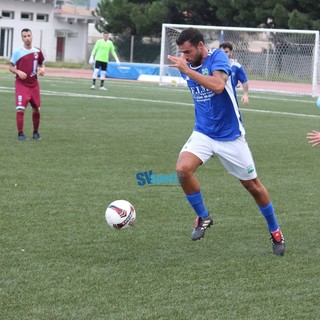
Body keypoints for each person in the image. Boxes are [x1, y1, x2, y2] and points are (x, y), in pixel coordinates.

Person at [167, 28, 285, 256]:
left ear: (201, 45)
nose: (185, 57)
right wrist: (186, 67)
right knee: (182, 170)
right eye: (182, 52)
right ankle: (203, 216)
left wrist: (188, 71)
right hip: (203, 133)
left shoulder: (219, 58)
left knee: (253, 186)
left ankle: (275, 230)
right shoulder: (186, 63)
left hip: (230, 137)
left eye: (188, 51)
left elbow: (218, 86)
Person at [9, 28, 45, 141]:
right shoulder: (17, 52)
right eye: (24, 36)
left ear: (32, 36)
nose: (27, 38)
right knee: (20, 109)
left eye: (29, 35)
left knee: (36, 109)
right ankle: (20, 134)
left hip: (34, 85)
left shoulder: (37, 51)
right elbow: (10, 67)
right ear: (22, 38)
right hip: (21, 84)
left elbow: (42, 64)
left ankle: (35, 132)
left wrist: (42, 69)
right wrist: (18, 71)